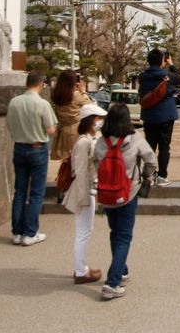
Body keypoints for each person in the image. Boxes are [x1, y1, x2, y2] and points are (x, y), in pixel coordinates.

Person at [93, 104, 157, 301]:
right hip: (128, 192)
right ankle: (112, 283)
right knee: (124, 236)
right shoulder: (134, 138)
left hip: (107, 194)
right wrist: (144, 176)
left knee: (115, 232)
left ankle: (121, 270)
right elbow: (151, 160)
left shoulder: (101, 141)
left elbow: (96, 162)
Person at [6, 70, 57, 246]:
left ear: (26, 83)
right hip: (37, 147)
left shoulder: (14, 102)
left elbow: (9, 125)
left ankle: (17, 232)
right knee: (36, 192)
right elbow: (50, 129)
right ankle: (30, 232)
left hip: (19, 146)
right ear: (41, 84)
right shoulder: (42, 104)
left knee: (19, 190)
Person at [62, 103, 107, 284]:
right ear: (90, 120)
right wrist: (84, 198)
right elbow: (80, 171)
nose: (100, 121)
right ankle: (81, 270)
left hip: (88, 189)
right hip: (85, 191)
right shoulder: (84, 142)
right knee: (83, 232)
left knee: (85, 231)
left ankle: (82, 267)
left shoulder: (87, 139)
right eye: (98, 118)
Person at [138, 48, 180, 186]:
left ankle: (149, 175)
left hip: (149, 116)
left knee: (150, 146)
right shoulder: (167, 75)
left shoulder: (142, 76)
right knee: (164, 147)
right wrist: (171, 65)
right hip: (166, 116)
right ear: (162, 60)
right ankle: (162, 176)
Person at [51, 70, 93, 161]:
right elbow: (91, 106)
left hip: (62, 131)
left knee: (66, 160)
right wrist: (83, 92)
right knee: (76, 160)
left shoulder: (56, 94)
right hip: (75, 130)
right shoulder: (75, 95)